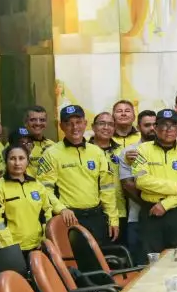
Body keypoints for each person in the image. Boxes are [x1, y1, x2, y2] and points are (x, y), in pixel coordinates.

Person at [37, 105, 119, 246]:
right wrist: (61, 209)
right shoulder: (51, 153)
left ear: (85, 124)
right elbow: (44, 189)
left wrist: (113, 218)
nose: (74, 127)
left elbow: (107, 188)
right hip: (70, 218)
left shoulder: (97, 152)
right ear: (61, 126)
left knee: (100, 262)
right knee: (73, 264)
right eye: (69, 123)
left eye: (78, 122)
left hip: (97, 217)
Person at [133, 109, 177, 253]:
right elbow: (141, 181)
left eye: (173, 126)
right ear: (155, 127)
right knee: (151, 261)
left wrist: (165, 205)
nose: (168, 130)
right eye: (164, 125)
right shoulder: (142, 150)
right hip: (150, 213)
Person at [0, 144, 75, 252]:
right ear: (6, 161)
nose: (17, 163)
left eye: (21, 158)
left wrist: (44, 239)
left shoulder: (37, 185)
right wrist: (9, 247)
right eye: (12, 159)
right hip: (11, 248)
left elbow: (46, 212)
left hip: (38, 245)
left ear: (27, 161)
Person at [118, 109, 157, 260]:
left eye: (155, 124)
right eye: (147, 125)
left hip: (166, 214)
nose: (152, 128)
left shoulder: (171, 148)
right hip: (137, 217)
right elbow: (127, 185)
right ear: (139, 127)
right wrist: (150, 204)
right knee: (140, 264)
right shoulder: (129, 151)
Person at [90, 112, 127, 244]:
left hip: (120, 212)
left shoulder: (122, 152)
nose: (106, 127)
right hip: (93, 213)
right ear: (93, 127)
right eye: (102, 123)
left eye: (110, 124)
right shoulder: (85, 151)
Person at [23, 105, 55, 170]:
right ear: (25, 122)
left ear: (46, 123)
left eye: (42, 120)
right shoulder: (16, 144)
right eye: (33, 120)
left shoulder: (53, 145)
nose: (38, 123)